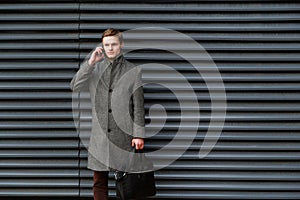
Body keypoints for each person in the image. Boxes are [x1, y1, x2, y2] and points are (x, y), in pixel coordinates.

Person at [70, 28, 145, 200]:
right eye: (106, 45)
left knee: (126, 185)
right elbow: (74, 86)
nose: (110, 48)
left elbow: (139, 107)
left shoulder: (133, 71)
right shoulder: (94, 70)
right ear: (102, 46)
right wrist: (90, 63)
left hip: (124, 138)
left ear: (121, 45)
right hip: (100, 138)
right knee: (99, 183)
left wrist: (139, 135)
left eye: (114, 44)